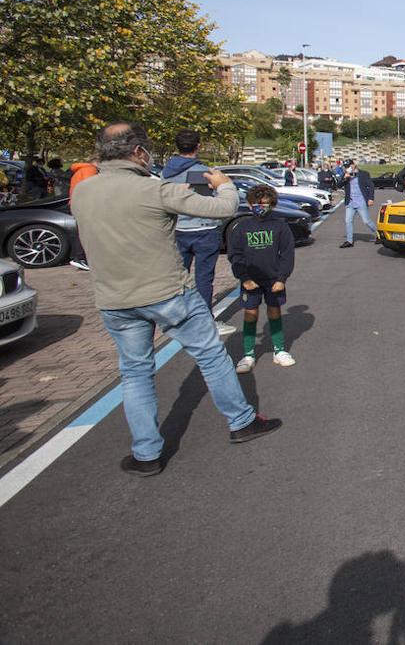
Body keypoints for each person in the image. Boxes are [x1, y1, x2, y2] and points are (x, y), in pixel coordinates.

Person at [70, 122, 280, 476]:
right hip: (166, 293)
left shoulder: (82, 192)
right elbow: (224, 209)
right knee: (211, 355)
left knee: (135, 372)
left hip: (114, 299)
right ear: (138, 153)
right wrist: (224, 185)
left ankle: (146, 454)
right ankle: (242, 421)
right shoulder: (154, 190)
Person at [162, 131, 229, 327]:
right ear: (198, 146)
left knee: (178, 277)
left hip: (177, 229)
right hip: (204, 228)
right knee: (204, 278)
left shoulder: (166, 173)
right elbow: (216, 199)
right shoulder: (205, 172)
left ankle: (180, 318)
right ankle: (205, 319)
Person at [227, 184, 296, 372]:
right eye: (257, 204)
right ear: (249, 205)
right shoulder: (241, 228)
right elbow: (235, 255)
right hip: (250, 280)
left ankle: (279, 350)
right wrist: (244, 278)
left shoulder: (280, 226)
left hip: (273, 279)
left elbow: (287, 254)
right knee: (251, 314)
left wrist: (282, 278)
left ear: (272, 205)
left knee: (274, 311)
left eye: (265, 204)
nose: (261, 207)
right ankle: (248, 354)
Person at [67, 157, 99, 271]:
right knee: (85, 231)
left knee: (82, 230)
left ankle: (80, 258)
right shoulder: (90, 170)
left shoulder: (81, 170)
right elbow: (91, 188)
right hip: (84, 204)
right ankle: (80, 258)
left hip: (77, 203)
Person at [339, 160, 377, 248]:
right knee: (348, 221)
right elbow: (338, 185)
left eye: (349, 166)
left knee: (367, 221)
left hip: (361, 202)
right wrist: (345, 178)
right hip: (350, 203)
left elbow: (371, 186)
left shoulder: (364, 174)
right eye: (346, 167)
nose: (347, 168)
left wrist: (371, 198)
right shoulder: (346, 175)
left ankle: (379, 235)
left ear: (354, 165)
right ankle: (349, 241)